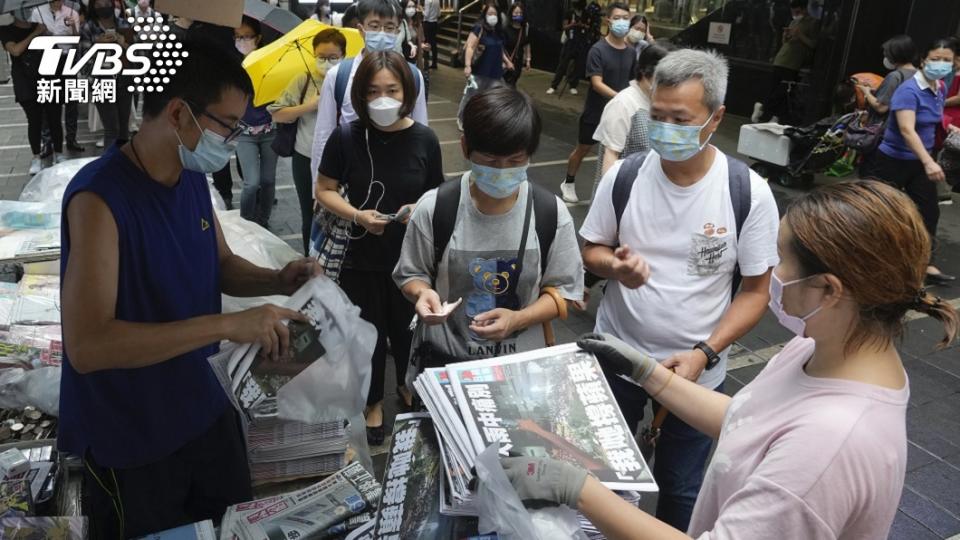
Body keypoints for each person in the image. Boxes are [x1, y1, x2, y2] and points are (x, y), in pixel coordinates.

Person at [502, 180, 959, 540]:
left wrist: (577, 489)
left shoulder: (827, 447)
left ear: (831, 289)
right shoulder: (823, 346)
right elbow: (751, 421)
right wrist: (650, 374)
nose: (772, 274)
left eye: (782, 261)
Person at [59, 38, 323, 539]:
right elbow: (89, 346)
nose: (234, 139)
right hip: (131, 436)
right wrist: (230, 323)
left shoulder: (189, 179)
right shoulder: (100, 200)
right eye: (228, 125)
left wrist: (277, 278)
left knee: (230, 526)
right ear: (179, 113)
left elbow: (219, 263)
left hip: (203, 408)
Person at [579, 49, 780, 531]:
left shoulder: (746, 192)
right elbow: (592, 249)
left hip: (695, 376)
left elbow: (756, 292)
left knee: (682, 486)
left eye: (680, 119)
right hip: (617, 358)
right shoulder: (624, 177)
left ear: (715, 118)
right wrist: (616, 267)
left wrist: (704, 352)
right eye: (658, 116)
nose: (665, 129)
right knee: (602, 475)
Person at [394, 85, 584, 372]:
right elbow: (411, 274)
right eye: (491, 161)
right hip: (445, 364)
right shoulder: (435, 208)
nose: (503, 170)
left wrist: (518, 319)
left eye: (516, 161)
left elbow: (565, 293)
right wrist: (422, 293)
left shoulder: (550, 213)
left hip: (520, 369)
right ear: (465, 148)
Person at [315, 51, 443, 446]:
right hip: (359, 258)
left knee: (408, 330)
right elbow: (323, 190)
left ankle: (407, 388)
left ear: (407, 92)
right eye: (373, 91)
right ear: (359, 95)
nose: (382, 99)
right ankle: (372, 402)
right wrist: (357, 216)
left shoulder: (424, 138)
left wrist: (416, 208)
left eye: (392, 89)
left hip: (411, 260)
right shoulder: (346, 137)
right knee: (365, 333)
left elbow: (436, 193)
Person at [862, 39, 957, 285]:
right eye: (936, 58)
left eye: (947, 60)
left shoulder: (940, 88)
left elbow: (932, 119)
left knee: (929, 212)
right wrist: (928, 162)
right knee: (880, 212)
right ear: (923, 60)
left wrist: (948, 127)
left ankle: (926, 264)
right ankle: (864, 260)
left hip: (919, 162)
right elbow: (906, 129)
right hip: (892, 160)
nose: (941, 64)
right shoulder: (908, 90)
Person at [310, 0, 429, 182]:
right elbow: (324, 134)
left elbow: (421, 130)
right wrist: (320, 187)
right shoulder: (338, 76)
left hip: (399, 174)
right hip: (349, 176)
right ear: (361, 29)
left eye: (389, 27)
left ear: (398, 32)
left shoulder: (412, 76)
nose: (382, 33)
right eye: (374, 26)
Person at [269, 29, 347, 255]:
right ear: (313, 54)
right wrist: (311, 105)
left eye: (333, 57)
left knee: (342, 212)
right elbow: (276, 113)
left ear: (343, 55)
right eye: (321, 57)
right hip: (306, 157)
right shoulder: (303, 79)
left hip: (343, 160)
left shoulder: (349, 80)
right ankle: (310, 260)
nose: (326, 62)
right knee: (310, 215)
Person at [559, 2, 636, 204]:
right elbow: (596, 83)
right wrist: (622, 99)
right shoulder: (598, 50)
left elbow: (633, 81)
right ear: (608, 20)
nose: (622, 22)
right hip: (596, 111)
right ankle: (568, 181)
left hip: (621, 113)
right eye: (617, 17)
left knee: (616, 152)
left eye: (626, 18)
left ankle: (611, 193)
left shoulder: (631, 52)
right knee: (582, 149)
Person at [594, 42, 672, 183]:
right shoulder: (623, 104)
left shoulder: (662, 103)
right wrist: (612, 197)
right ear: (644, 71)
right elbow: (611, 155)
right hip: (626, 191)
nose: (668, 84)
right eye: (662, 78)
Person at [1, 8, 64, 175]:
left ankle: (59, 153)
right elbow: (15, 50)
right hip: (25, 82)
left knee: (55, 118)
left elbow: (55, 50)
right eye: (22, 9)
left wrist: (45, 32)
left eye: (28, 8)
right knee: (34, 121)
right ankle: (36, 156)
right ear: (14, 11)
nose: (26, 11)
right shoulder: (7, 30)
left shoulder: (41, 26)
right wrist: (34, 34)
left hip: (48, 78)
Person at [234, 17, 279, 228]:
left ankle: (263, 222)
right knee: (251, 184)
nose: (242, 41)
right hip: (244, 134)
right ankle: (246, 225)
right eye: (238, 37)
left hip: (270, 130)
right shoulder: (233, 64)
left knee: (268, 181)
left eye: (247, 37)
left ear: (258, 38)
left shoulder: (270, 62)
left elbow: (278, 93)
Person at [751, 0, 818, 124]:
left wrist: (800, 35)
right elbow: (786, 43)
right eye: (794, 12)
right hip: (782, 58)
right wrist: (785, 36)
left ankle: (766, 109)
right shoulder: (794, 21)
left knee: (783, 91)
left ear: (804, 9)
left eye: (798, 11)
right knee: (777, 89)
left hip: (793, 62)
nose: (796, 14)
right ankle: (772, 114)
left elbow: (813, 44)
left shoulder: (813, 23)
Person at [31, 0, 85, 154]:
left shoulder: (72, 12)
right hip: (47, 58)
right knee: (48, 100)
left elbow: (78, 40)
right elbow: (34, 38)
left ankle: (71, 138)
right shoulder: (37, 12)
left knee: (71, 101)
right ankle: (47, 141)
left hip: (67, 58)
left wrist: (72, 26)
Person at [81, 0, 133, 151]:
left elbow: (138, 53)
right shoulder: (88, 27)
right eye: (98, 3)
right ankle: (110, 166)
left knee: (124, 128)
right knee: (112, 128)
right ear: (93, 6)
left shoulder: (124, 24)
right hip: (101, 80)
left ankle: (124, 164)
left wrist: (123, 44)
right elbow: (82, 60)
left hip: (124, 79)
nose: (103, 6)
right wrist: (97, 45)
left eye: (106, 2)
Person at [459, 2, 510, 128]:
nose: (492, 16)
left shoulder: (498, 30)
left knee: (495, 96)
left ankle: (488, 119)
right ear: (484, 15)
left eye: (495, 14)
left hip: (495, 71)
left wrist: (507, 61)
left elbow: (500, 48)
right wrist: (467, 65)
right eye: (489, 13)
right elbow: (470, 46)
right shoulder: (479, 28)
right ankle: (462, 119)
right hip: (480, 70)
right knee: (471, 95)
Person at [859, 35, 917, 126]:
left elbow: (881, 107)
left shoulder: (895, 76)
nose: (886, 58)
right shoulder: (918, 75)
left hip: (884, 129)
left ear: (896, 55)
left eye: (887, 54)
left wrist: (866, 92)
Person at [547, 0, 589, 95]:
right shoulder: (569, 12)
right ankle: (554, 86)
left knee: (577, 66)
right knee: (562, 65)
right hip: (570, 42)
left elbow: (588, 26)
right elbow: (564, 27)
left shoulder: (586, 13)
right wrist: (572, 24)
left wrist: (582, 25)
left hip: (581, 43)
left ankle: (573, 85)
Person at [502, 2, 531, 87]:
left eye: (520, 13)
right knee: (506, 86)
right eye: (516, 13)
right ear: (511, 13)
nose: (518, 15)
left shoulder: (524, 28)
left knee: (513, 83)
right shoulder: (506, 29)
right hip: (505, 62)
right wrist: (506, 62)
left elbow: (527, 44)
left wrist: (528, 60)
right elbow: (500, 47)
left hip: (517, 63)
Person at [422, 0, 439, 69]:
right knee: (433, 43)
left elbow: (426, 14)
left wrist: (421, 9)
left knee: (426, 43)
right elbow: (439, 14)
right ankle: (434, 63)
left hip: (428, 24)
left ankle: (426, 64)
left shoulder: (427, 1)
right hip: (435, 24)